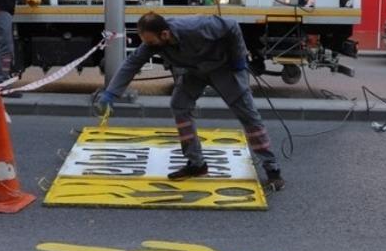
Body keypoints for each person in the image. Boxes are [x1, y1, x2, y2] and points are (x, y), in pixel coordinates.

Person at [96, 12, 284, 192]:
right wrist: (110, 94)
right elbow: (132, 64)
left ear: (165, 33)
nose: (149, 47)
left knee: (247, 114)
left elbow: (232, 26)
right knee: (179, 105)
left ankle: (272, 169)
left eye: (151, 42)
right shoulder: (153, 43)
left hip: (224, 68)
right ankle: (196, 163)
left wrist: (238, 58)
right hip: (195, 71)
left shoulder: (195, 27)